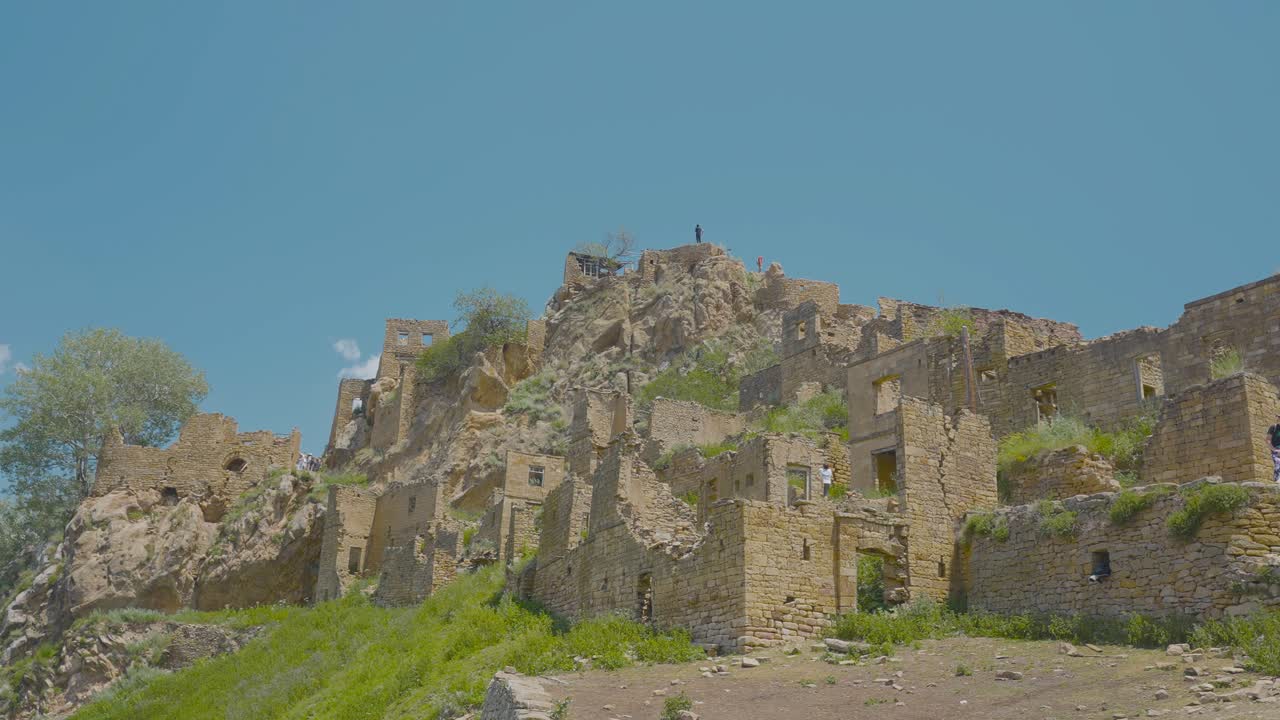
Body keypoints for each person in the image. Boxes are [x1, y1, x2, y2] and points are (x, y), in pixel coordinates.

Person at [1269, 413, 1280, 483]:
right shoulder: (1274, 427)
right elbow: (1268, 440)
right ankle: (1277, 480)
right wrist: (1274, 450)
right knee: (1278, 462)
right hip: (1276, 449)